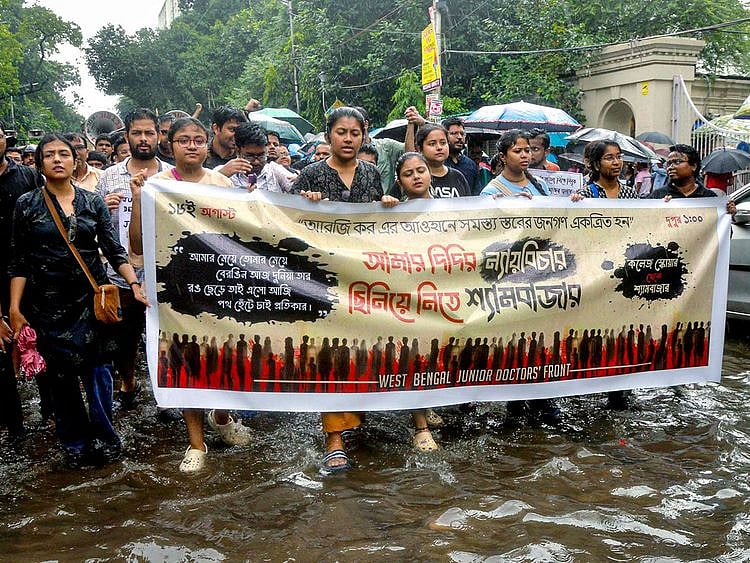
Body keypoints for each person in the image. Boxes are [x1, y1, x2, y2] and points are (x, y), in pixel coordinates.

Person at [8, 134, 146, 466]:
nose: (57, 159)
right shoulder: (27, 204)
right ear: (40, 163)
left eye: (64, 154)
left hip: (92, 299)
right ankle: (74, 443)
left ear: (75, 161)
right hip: (47, 303)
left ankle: (105, 435)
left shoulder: (92, 201)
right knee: (60, 377)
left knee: (99, 371)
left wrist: (133, 284)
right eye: (49, 155)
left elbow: (113, 249)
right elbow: (19, 261)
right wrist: (14, 308)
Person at [128, 117, 252, 473]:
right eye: (184, 140)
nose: (193, 146)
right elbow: (137, 244)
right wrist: (138, 200)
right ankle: (196, 443)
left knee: (228, 355)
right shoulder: (155, 186)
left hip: (219, 284)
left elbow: (240, 237)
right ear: (170, 144)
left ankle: (223, 417)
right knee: (185, 361)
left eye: (199, 139)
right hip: (176, 288)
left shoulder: (222, 183)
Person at [294, 107, 383, 474]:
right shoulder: (310, 175)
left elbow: (381, 223)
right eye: (341, 132)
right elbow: (292, 228)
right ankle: (334, 439)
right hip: (323, 282)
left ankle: (357, 419)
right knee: (329, 355)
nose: (348, 139)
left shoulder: (372, 174)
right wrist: (305, 205)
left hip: (364, 277)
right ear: (328, 135)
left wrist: (389, 206)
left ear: (363, 136)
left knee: (364, 349)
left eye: (355, 133)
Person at [96, 108, 173, 411]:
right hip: (122, 269)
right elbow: (97, 223)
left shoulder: (171, 175)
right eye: (137, 133)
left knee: (164, 334)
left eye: (149, 132)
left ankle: (166, 394)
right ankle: (128, 381)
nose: (143, 139)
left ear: (158, 135)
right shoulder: (109, 176)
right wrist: (103, 205)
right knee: (125, 336)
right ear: (126, 135)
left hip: (163, 269)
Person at [0, 125, 40, 439]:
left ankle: (51, 418)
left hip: (31, 276)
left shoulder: (26, 177)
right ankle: (15, 431)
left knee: (41, 344)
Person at [225, 122, 295, 193]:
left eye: (261, 155)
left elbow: (296, 188)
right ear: (238, 151)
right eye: (250, 156)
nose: (256, 162)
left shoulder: (274, 171)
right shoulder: (225, 173)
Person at [481, 129, 549, 197]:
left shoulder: (540, 184)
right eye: (517, 151)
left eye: (527, 150)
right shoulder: (490, 192)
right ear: (502, 157)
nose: (524, 155)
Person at [571, 141, 639, 200]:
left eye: (619, 157)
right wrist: (576, 202)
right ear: (595, 164)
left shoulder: (630, 193)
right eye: (609, 158)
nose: (616, 162)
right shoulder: (586, 194)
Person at [442, 117, 479, 193]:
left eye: (462, 134)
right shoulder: (438, 162)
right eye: (454, 133)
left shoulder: (471, 165)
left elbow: (476, 194)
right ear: (444, 136)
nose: (459, 137)